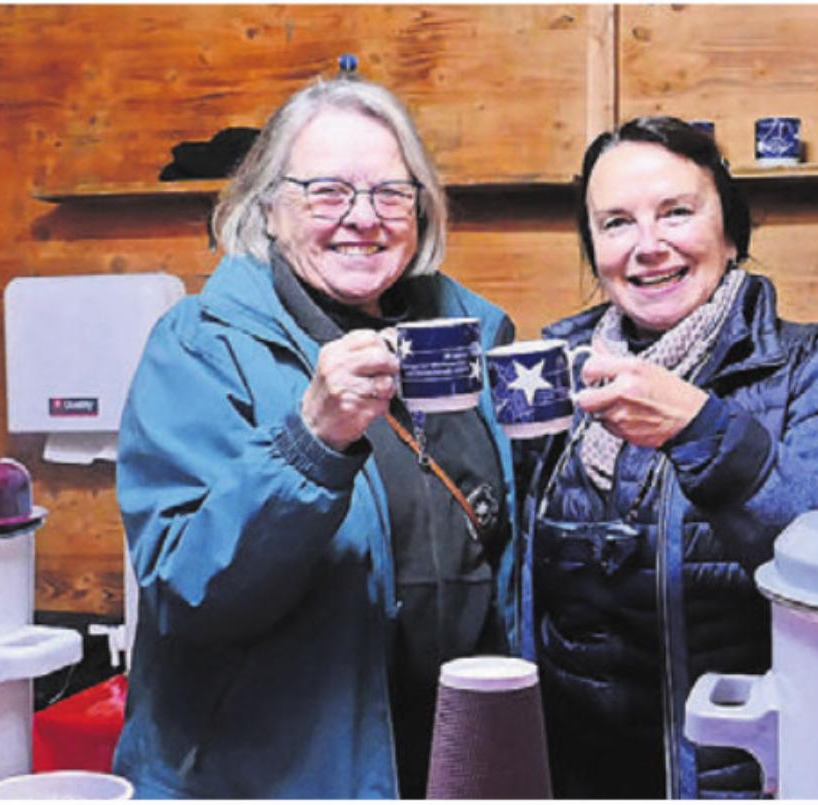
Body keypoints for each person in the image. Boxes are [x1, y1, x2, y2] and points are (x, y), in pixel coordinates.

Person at [113, 69, 519, 799]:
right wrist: (312, 440)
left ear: (421, 210)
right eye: (327, 191)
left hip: (450, 761)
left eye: (391, 192)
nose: (363, 216)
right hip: (274, 777)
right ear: (268, 208)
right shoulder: (200, 347)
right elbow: (185, 591)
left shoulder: (472, 337)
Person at [515, 116, 818, 798]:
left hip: (746, 779)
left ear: (730, 232)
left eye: (676, 213)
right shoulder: (556, 373)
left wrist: (705, 430)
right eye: (616, 223)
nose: (648, 246)